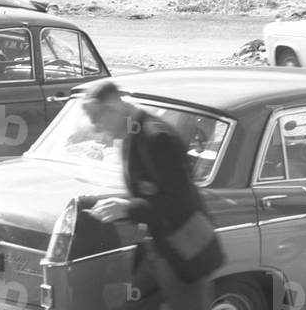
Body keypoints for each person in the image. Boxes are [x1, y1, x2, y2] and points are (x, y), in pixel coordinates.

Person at [84, 80, 224, 310]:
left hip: (183, 254)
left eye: (96, 119)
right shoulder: (133, 134)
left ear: (114, 108)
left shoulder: (157, 137)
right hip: (157, 253)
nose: (96, 128)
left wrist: (127, 208)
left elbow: (178, 202)